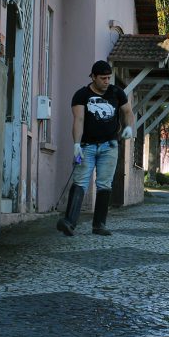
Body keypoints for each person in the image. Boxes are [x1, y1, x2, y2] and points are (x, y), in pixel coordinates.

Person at [57, 60, 135, 236]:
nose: (107, 81)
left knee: (104, 184)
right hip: (87, 146)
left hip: (110, 146)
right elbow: (78, 120)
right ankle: (69, 222)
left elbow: (128, 112)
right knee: (80, 181)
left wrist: (129, 126)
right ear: (93, 77)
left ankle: (99, 225)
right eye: (103, 78)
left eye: (109, 78)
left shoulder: (117, 93)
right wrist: (76, 144)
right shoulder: (81, 95)